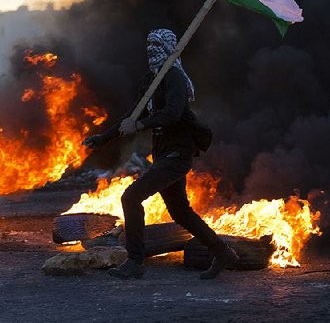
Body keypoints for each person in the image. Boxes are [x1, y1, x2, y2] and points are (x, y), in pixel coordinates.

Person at [83, 28, 238, 280]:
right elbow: (133, 115)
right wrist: (104, 138)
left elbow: (172, 114)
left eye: (156, 45)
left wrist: (140, 125)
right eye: (148, 44)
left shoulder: (174, 77)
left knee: (131, 198)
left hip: (178, 154)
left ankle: (135, 261)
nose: (151, 50)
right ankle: (223, 253)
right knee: (180, 213)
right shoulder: (151, 80)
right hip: (164, 154)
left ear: (168, 48)